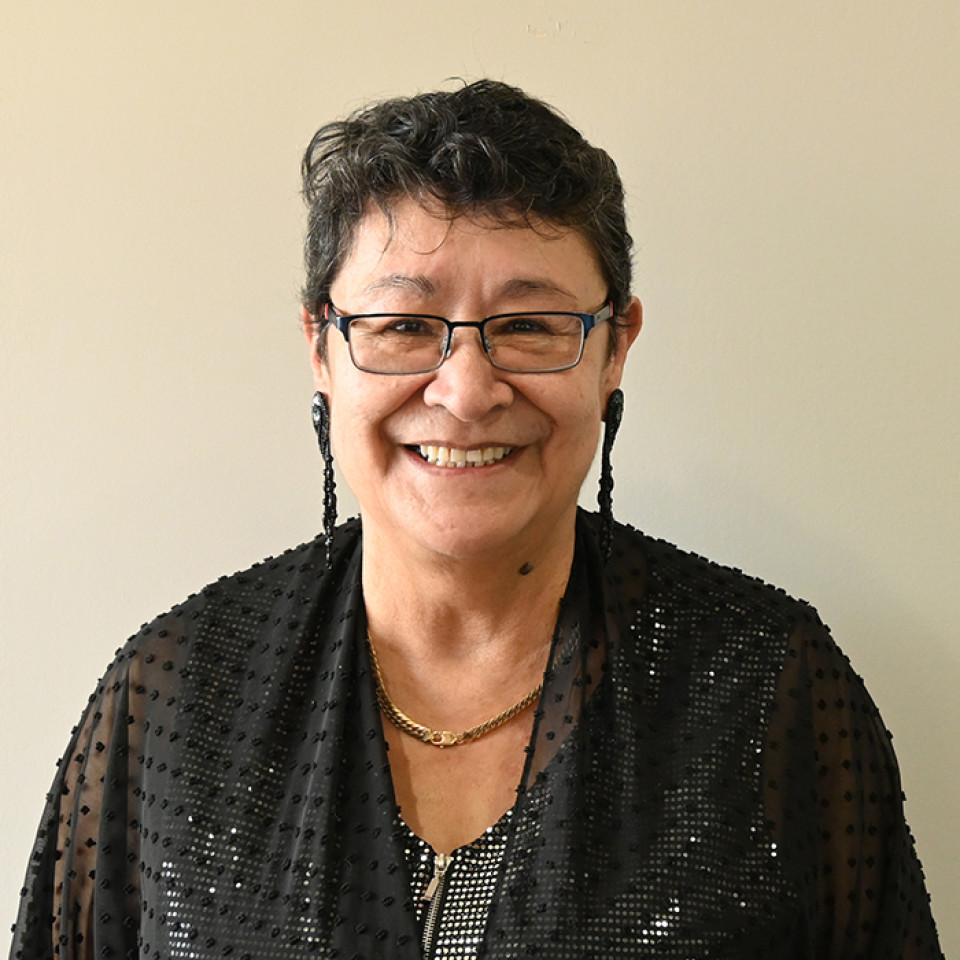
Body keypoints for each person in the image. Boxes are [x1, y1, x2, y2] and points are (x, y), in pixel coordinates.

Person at [10, 80, 942, 960]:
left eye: (531, 325)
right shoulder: (175, 703)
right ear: (321, 350)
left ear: (615, 347)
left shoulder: (764, 688)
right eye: (405, 327)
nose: (464, 391)